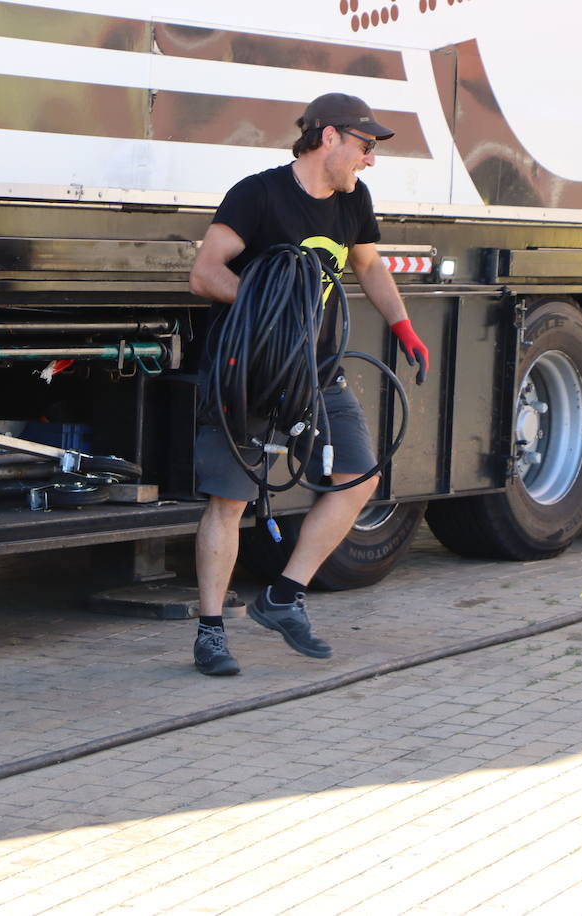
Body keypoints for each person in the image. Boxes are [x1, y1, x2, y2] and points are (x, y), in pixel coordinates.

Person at [186, 93, 429, 676]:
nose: (370, 160)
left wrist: (403, 326)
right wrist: (271, 302)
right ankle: (211, 633)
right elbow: (205, 272)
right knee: (229, 501)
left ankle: (285, 595)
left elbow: (367, 265)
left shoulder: (353, 202)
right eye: (365, 146)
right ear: (329, 138)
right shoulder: (259, 194)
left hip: (317, 370)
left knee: (358, 475)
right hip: (250, 368)